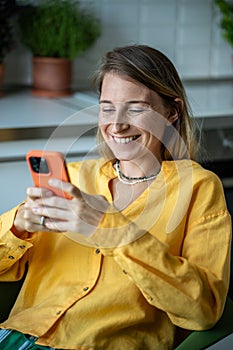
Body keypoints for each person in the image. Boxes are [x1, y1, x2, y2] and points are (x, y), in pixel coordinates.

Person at [0, 45, 231, 350]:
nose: (117, 124)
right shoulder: (73, 177)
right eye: (107, 107)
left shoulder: (199, 189)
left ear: (171, 113)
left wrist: (113, 231)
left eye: (136, 108)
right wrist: (17, 225)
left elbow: (203, 310)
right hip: (14, 336)